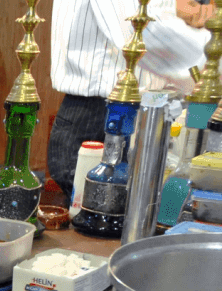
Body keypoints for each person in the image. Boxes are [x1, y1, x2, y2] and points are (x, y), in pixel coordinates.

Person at [47, 0, 207, 199]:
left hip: (145, 111)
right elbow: (138, 32)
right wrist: (211, 55)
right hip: (98, 118)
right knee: (101, 215)